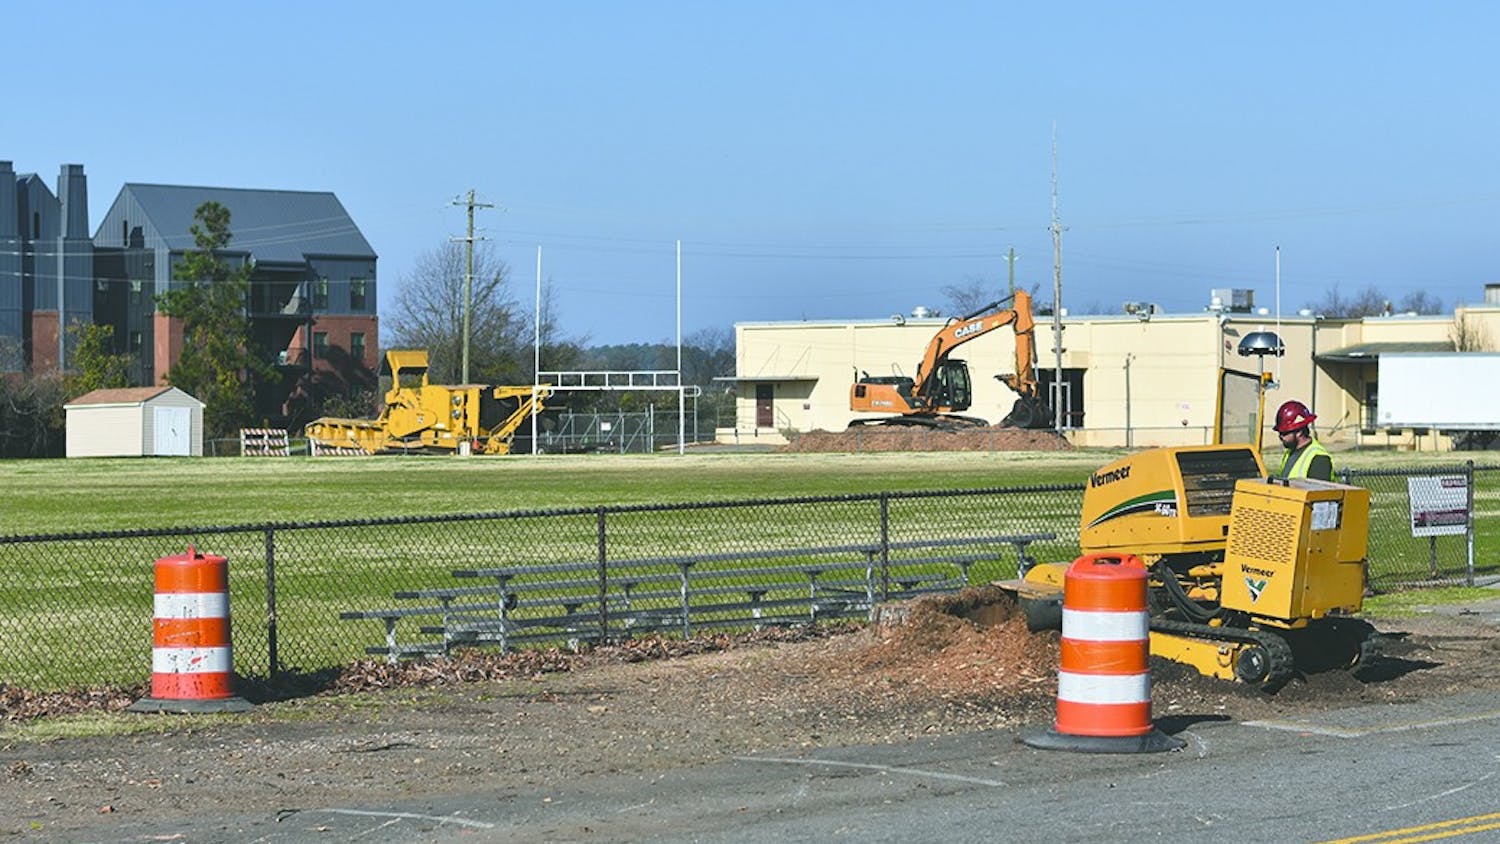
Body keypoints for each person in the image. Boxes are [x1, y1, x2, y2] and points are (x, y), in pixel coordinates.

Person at [1274, 399, 1333, 481]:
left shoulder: (1319, 459)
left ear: (1299, 432)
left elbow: (1319, 492)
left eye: (1284, 433)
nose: (1280, 437)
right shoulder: (1290, 453)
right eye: (1280, 433)